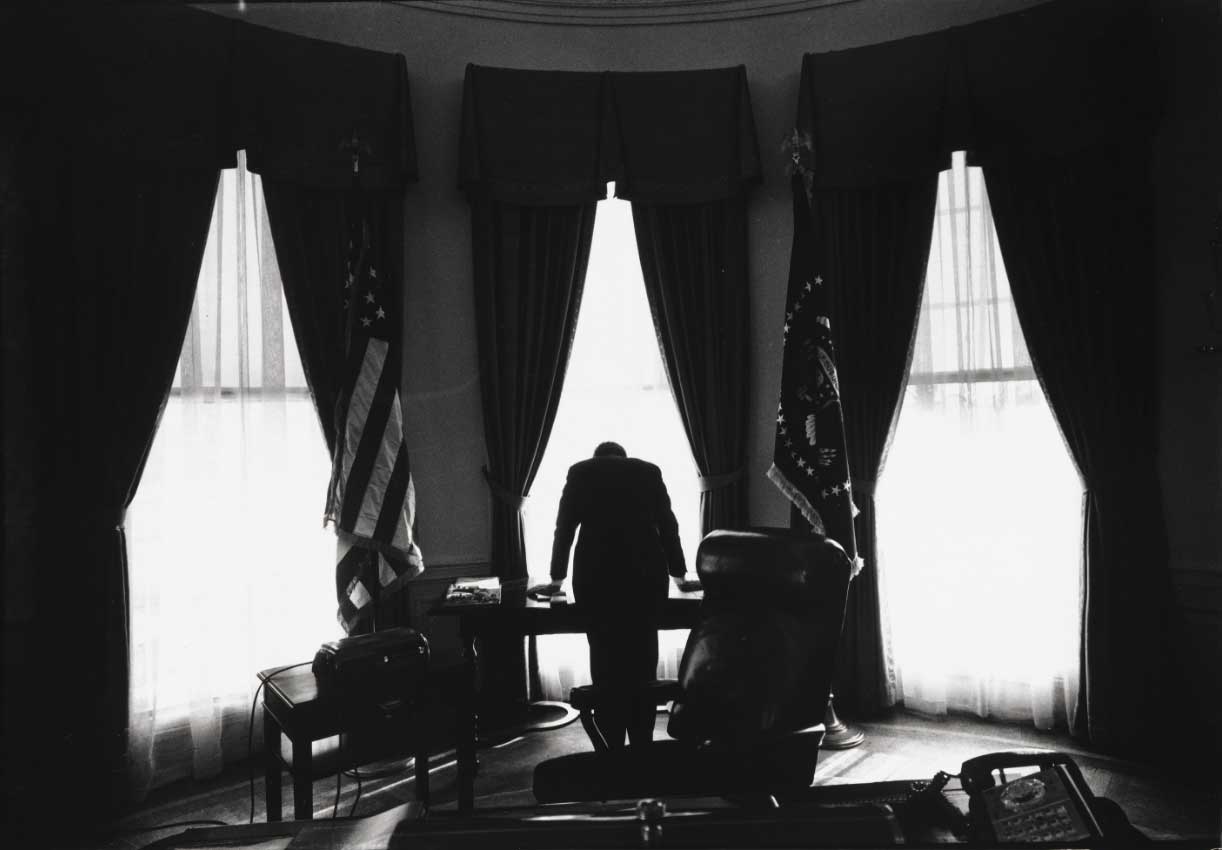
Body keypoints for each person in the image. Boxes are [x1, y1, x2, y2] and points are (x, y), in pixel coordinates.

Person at [530, 441, 689, 748]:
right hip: (645, 582)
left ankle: (610, 744)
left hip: (596, 582)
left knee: (604, 661)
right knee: (644, 662)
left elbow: (564, 529)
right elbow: (669, 527)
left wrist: (556, 579)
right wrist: (679, 574)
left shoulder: (580, 473)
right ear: (623, 457)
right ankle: (641, 742)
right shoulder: (648, 472)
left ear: (597, 458)